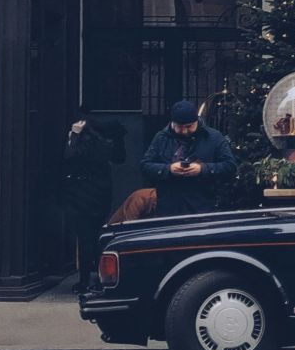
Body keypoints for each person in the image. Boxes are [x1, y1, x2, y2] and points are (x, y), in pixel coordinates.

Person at [140, 100, 238, 218]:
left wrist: (202, 169)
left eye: (189, 126)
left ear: (197, 121)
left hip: (203, 207)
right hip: (168, 209)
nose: (184, 131)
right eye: (180, 127)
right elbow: (145, 166)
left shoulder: (214, 137)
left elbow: (230, 166)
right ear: (172, 123)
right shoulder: (161, 138)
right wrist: (168, 169)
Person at [62, 111, 125, 292]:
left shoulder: (84, 139)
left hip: (81, 193)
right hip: (101, 192)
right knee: (97, 236)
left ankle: (84, 281)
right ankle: (100, 278)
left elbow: (70, 157)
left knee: (84, 238)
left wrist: (74, 134)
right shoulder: (104, 140)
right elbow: (119, 158)